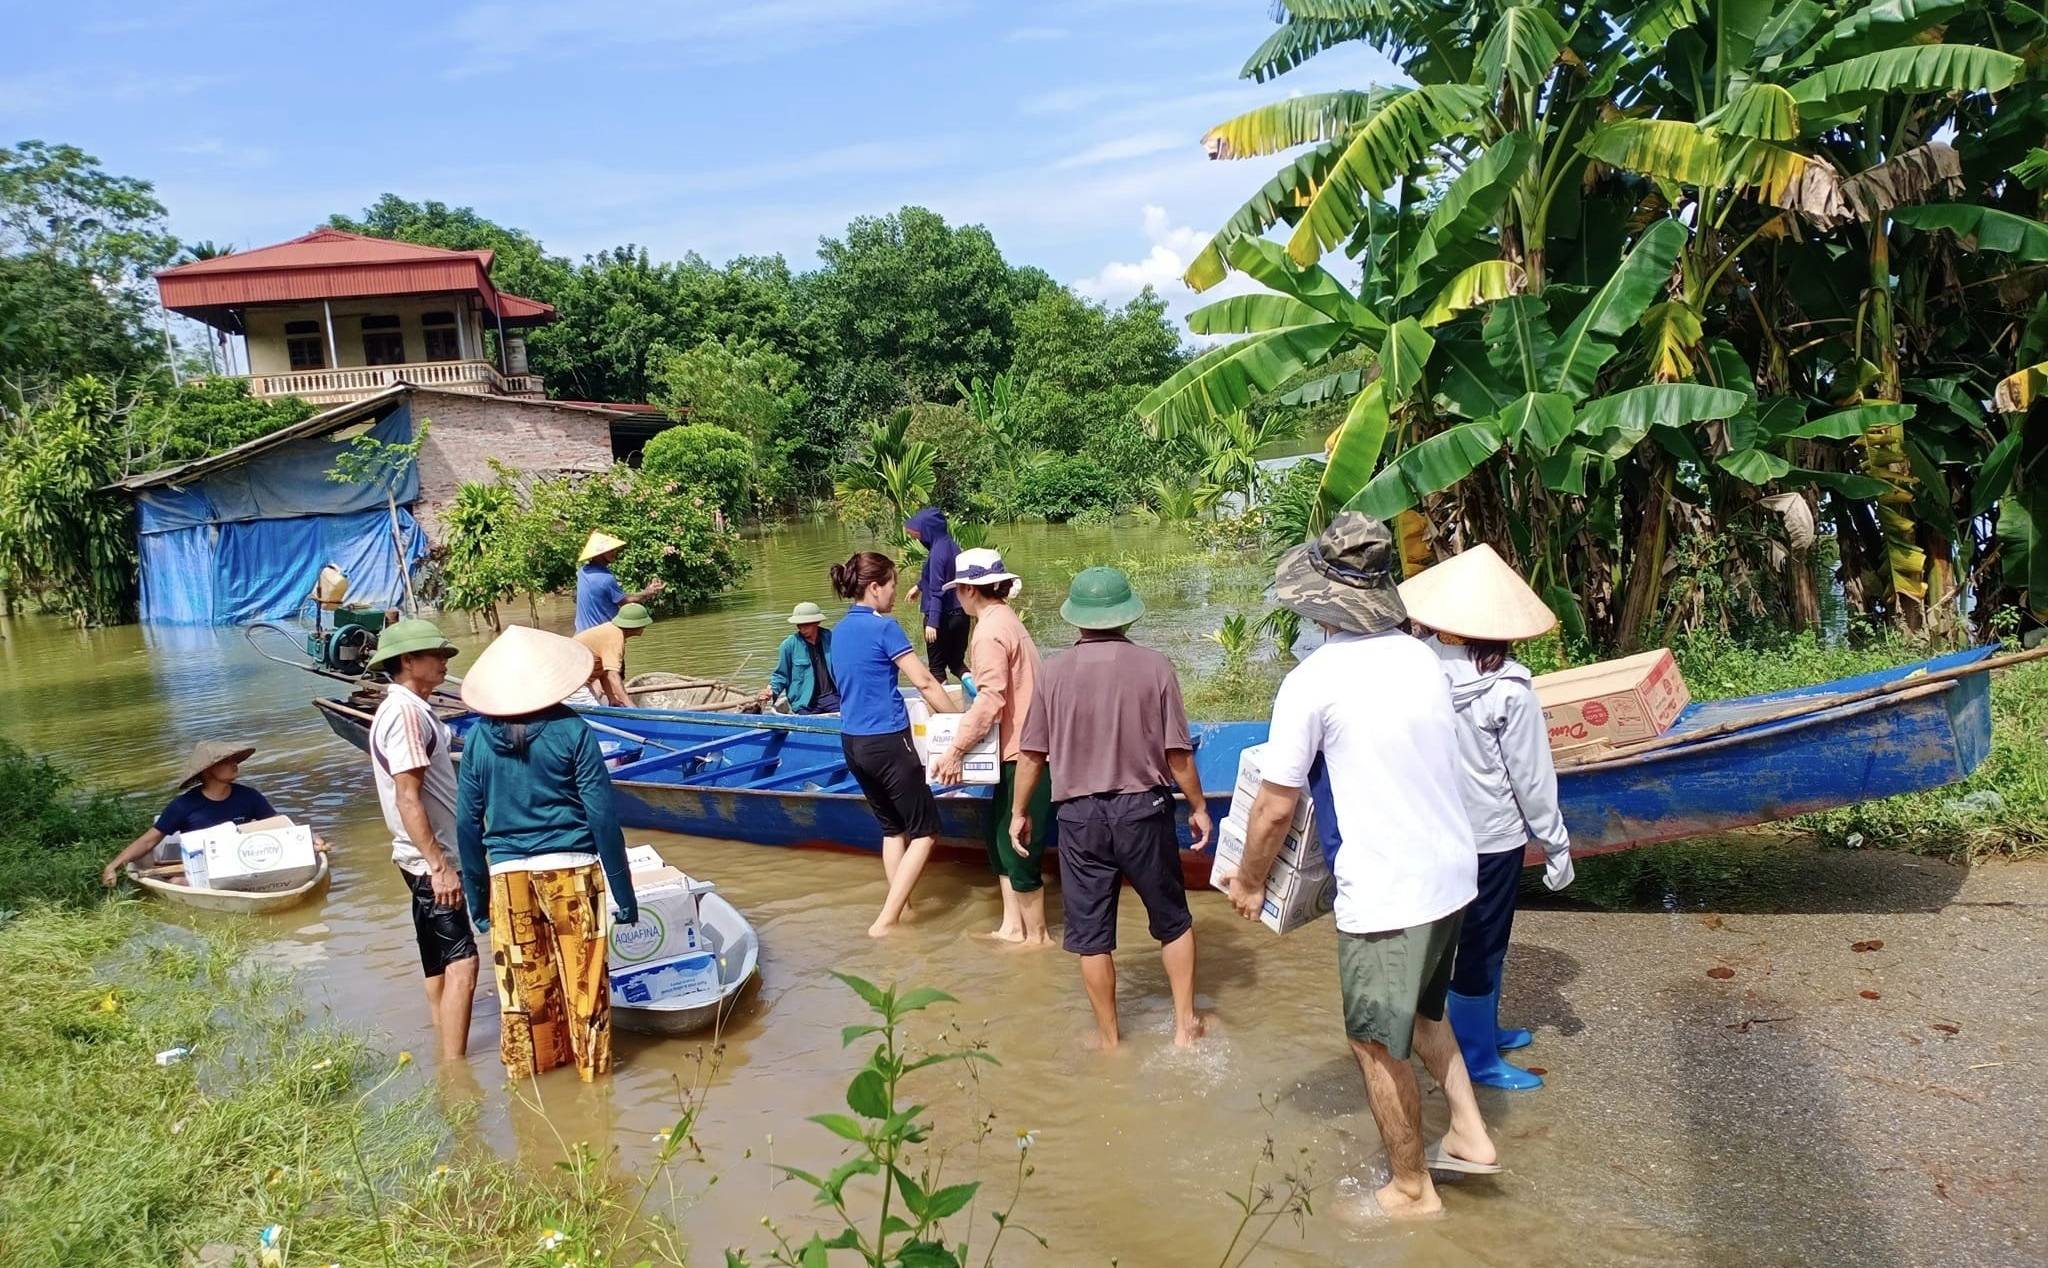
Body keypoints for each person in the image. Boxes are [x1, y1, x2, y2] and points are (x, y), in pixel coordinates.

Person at [1224, 512, 1498, 1221]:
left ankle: (1411, 1188)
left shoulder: (1314, 681)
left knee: (1374, 1040)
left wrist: (1250, 881)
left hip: (1390, 890)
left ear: (1318, 601)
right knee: (1426, 1015)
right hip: (1452, 877)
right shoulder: (1425, 659)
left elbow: (1276, 807)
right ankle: (1468, 1134)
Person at [1399, 543, 1575, 1091]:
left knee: (1459, 938)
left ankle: (1482, 1031)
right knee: (1486, 941)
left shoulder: (1418, 673)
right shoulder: (1508, 687)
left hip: (1437, 831)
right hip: (1493, 836)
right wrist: (1556, 841)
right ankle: (1477, 1056)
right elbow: (1531, 777)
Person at [1012, 566, 1211, 1047]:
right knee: (1173, 920)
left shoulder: (1054, 672)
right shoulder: (1155, 667)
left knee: (1091, 935)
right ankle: (1185, 1026)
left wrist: (1019, 811)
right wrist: (1199, 806)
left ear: (1076, 618)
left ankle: (1109, 1040)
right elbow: (1177, 755)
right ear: (1127, 615)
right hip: (1142, 810)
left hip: (1079, 817)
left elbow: (1033, 754)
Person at [454, 625, 640, 1082]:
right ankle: (594, 1090)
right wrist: (623, 891)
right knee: (585, 985)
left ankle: (536, 1093)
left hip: (507, 877)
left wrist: (477, 902)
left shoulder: (478, 738)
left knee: (524, 990)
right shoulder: (571, 730)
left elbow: (466, 824)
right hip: (572, 872)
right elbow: (601, 817)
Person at [827, 550, 960, 938]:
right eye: (892, 586)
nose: (893, 594)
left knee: (891, 830)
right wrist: (958, 723)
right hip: (887, 741)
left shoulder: (839, 632)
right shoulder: (884, 627)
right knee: (926, 831)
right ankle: (886, 921)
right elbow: (925, 682)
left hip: (852, 743)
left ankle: (904, 910)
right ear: (874, 587)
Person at [362, 618, 476, 1061]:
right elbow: (409, 797)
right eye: (437, 656)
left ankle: (441, 1044)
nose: (446, 662)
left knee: (437, 957)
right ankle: (455, 1070)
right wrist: (441, 866)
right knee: (464, 962)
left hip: (416, 858)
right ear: (408, 661)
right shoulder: (407, 714)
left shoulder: (408, 709)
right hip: (431, 860)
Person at [931, 548, 1050, 945]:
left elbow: (991, 699)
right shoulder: (1006, 621)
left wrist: (956, 749)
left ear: (968, 590)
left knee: (1018, 846)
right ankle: (1013, 927)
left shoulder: (986, 633)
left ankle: (1038, 940)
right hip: (1020, 748)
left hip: (1022, 753)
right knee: (999, 839)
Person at [101, 741, 294, 885]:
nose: (234, 764)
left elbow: (279, 825)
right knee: (177, 883)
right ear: (208, 770)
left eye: (234, 760)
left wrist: (312, 839)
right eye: (225, 761)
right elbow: (149, 841)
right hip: (202, 869)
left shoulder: (249, 796)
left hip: (240, 865)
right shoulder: (183, 805)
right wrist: (113, 865)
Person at [904, 507, 968, 682]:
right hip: (960, 615)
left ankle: (945, 709)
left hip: (941, 618)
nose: (915, 537)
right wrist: (918, 587)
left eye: (917, 533)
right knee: (957, 664)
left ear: (928, 530)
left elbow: (938, 590)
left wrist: (932, 622)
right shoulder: (952, 546)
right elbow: (943, 576)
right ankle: (979, 695)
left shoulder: (937, 553)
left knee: (937, 669)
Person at [574, 531, 665, 633]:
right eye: (610, 550)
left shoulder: (582, 572)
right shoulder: (605, 578)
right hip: (602, 633)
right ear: (599, 554)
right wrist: (649, 592)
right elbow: (626, 601)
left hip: (581, 632)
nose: (615, 552)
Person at [760, 601, 841, 714]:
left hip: (832, 696)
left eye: (806, 625)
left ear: (816, 622)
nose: (802, 629)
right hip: (804, 701)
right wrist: (770, 691)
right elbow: (780, 676)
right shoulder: (789, 645)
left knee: (847, 716)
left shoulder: (832, 639)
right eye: (799, 625)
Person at [569, 602, 654, 707]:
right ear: (635, 625)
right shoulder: (615, 639)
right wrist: (630, 706)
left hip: (579, 679)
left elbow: (604, 673)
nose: (644, 627)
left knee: (598, 708)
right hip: (571, 680)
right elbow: (613, 675)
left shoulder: (611, 631)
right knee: (595, 712)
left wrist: (611, 698)